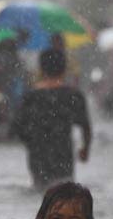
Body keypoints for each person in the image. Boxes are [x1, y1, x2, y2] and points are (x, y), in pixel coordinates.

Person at [12, 49, 91, 189]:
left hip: (38, 156)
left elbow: (16, 128)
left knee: (39, 189)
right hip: (63, 156)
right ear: (64, 69)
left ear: (41, 69)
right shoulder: (74, 95)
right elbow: (85, 126)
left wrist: (31, 143)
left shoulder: (30, 96)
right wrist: (85, 150)